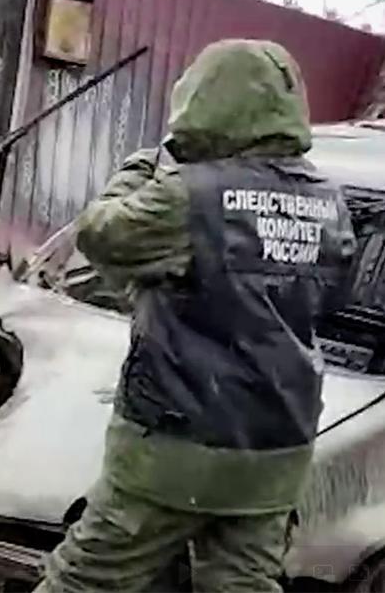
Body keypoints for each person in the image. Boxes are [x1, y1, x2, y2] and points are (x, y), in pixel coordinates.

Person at [36, 39, 357, 592]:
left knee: (87, 578)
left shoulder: (190, 195)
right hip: (276, 447)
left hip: (175, 443)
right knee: (243, 584)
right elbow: (329, 300)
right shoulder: (329, 204)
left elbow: (101, 235)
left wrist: (144, 165)